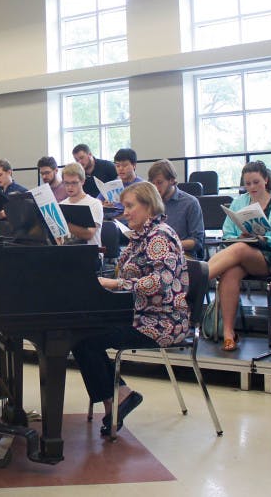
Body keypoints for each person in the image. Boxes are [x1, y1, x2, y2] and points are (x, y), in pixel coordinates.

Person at [71, 182, 189, 436]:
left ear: (148, 206)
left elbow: (159, 283)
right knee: (81, 336)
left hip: (161, 321)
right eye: (124, 206)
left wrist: (115, 283)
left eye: (130, 206)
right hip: (140, 315)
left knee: (85, 341)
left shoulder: (159, 236)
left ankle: (116, 400)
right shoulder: (140, 237)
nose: (125, 212)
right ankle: (118, 397)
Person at [206, 161, 271, 351]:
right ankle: (229, 333)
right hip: (243, 254)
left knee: (239, 249)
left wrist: (266, 239)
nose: (252, 187)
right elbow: (227, 234)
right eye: (247, 184)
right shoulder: (239, 203)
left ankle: (197, 279)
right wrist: (239, 237)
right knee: (230, 271)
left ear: (265, 180)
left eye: (256, 182)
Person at [147, 159, 205, 259]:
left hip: (182, 255)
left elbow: (197, 242)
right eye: (153, 183)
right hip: (153, 254)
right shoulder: (151, 202)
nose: (155, 187)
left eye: (159, 182)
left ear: (172, 180)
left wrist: (169, 245)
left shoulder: (190, 203)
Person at [60, 163, 103, 249]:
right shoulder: (61, 204)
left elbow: (89, 234)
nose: (69, 187)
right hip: (66, 253)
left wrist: (62, 223)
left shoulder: (94, 203)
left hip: (89, 255)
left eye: (74, 183)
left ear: (83, 181)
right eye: (66, 183)